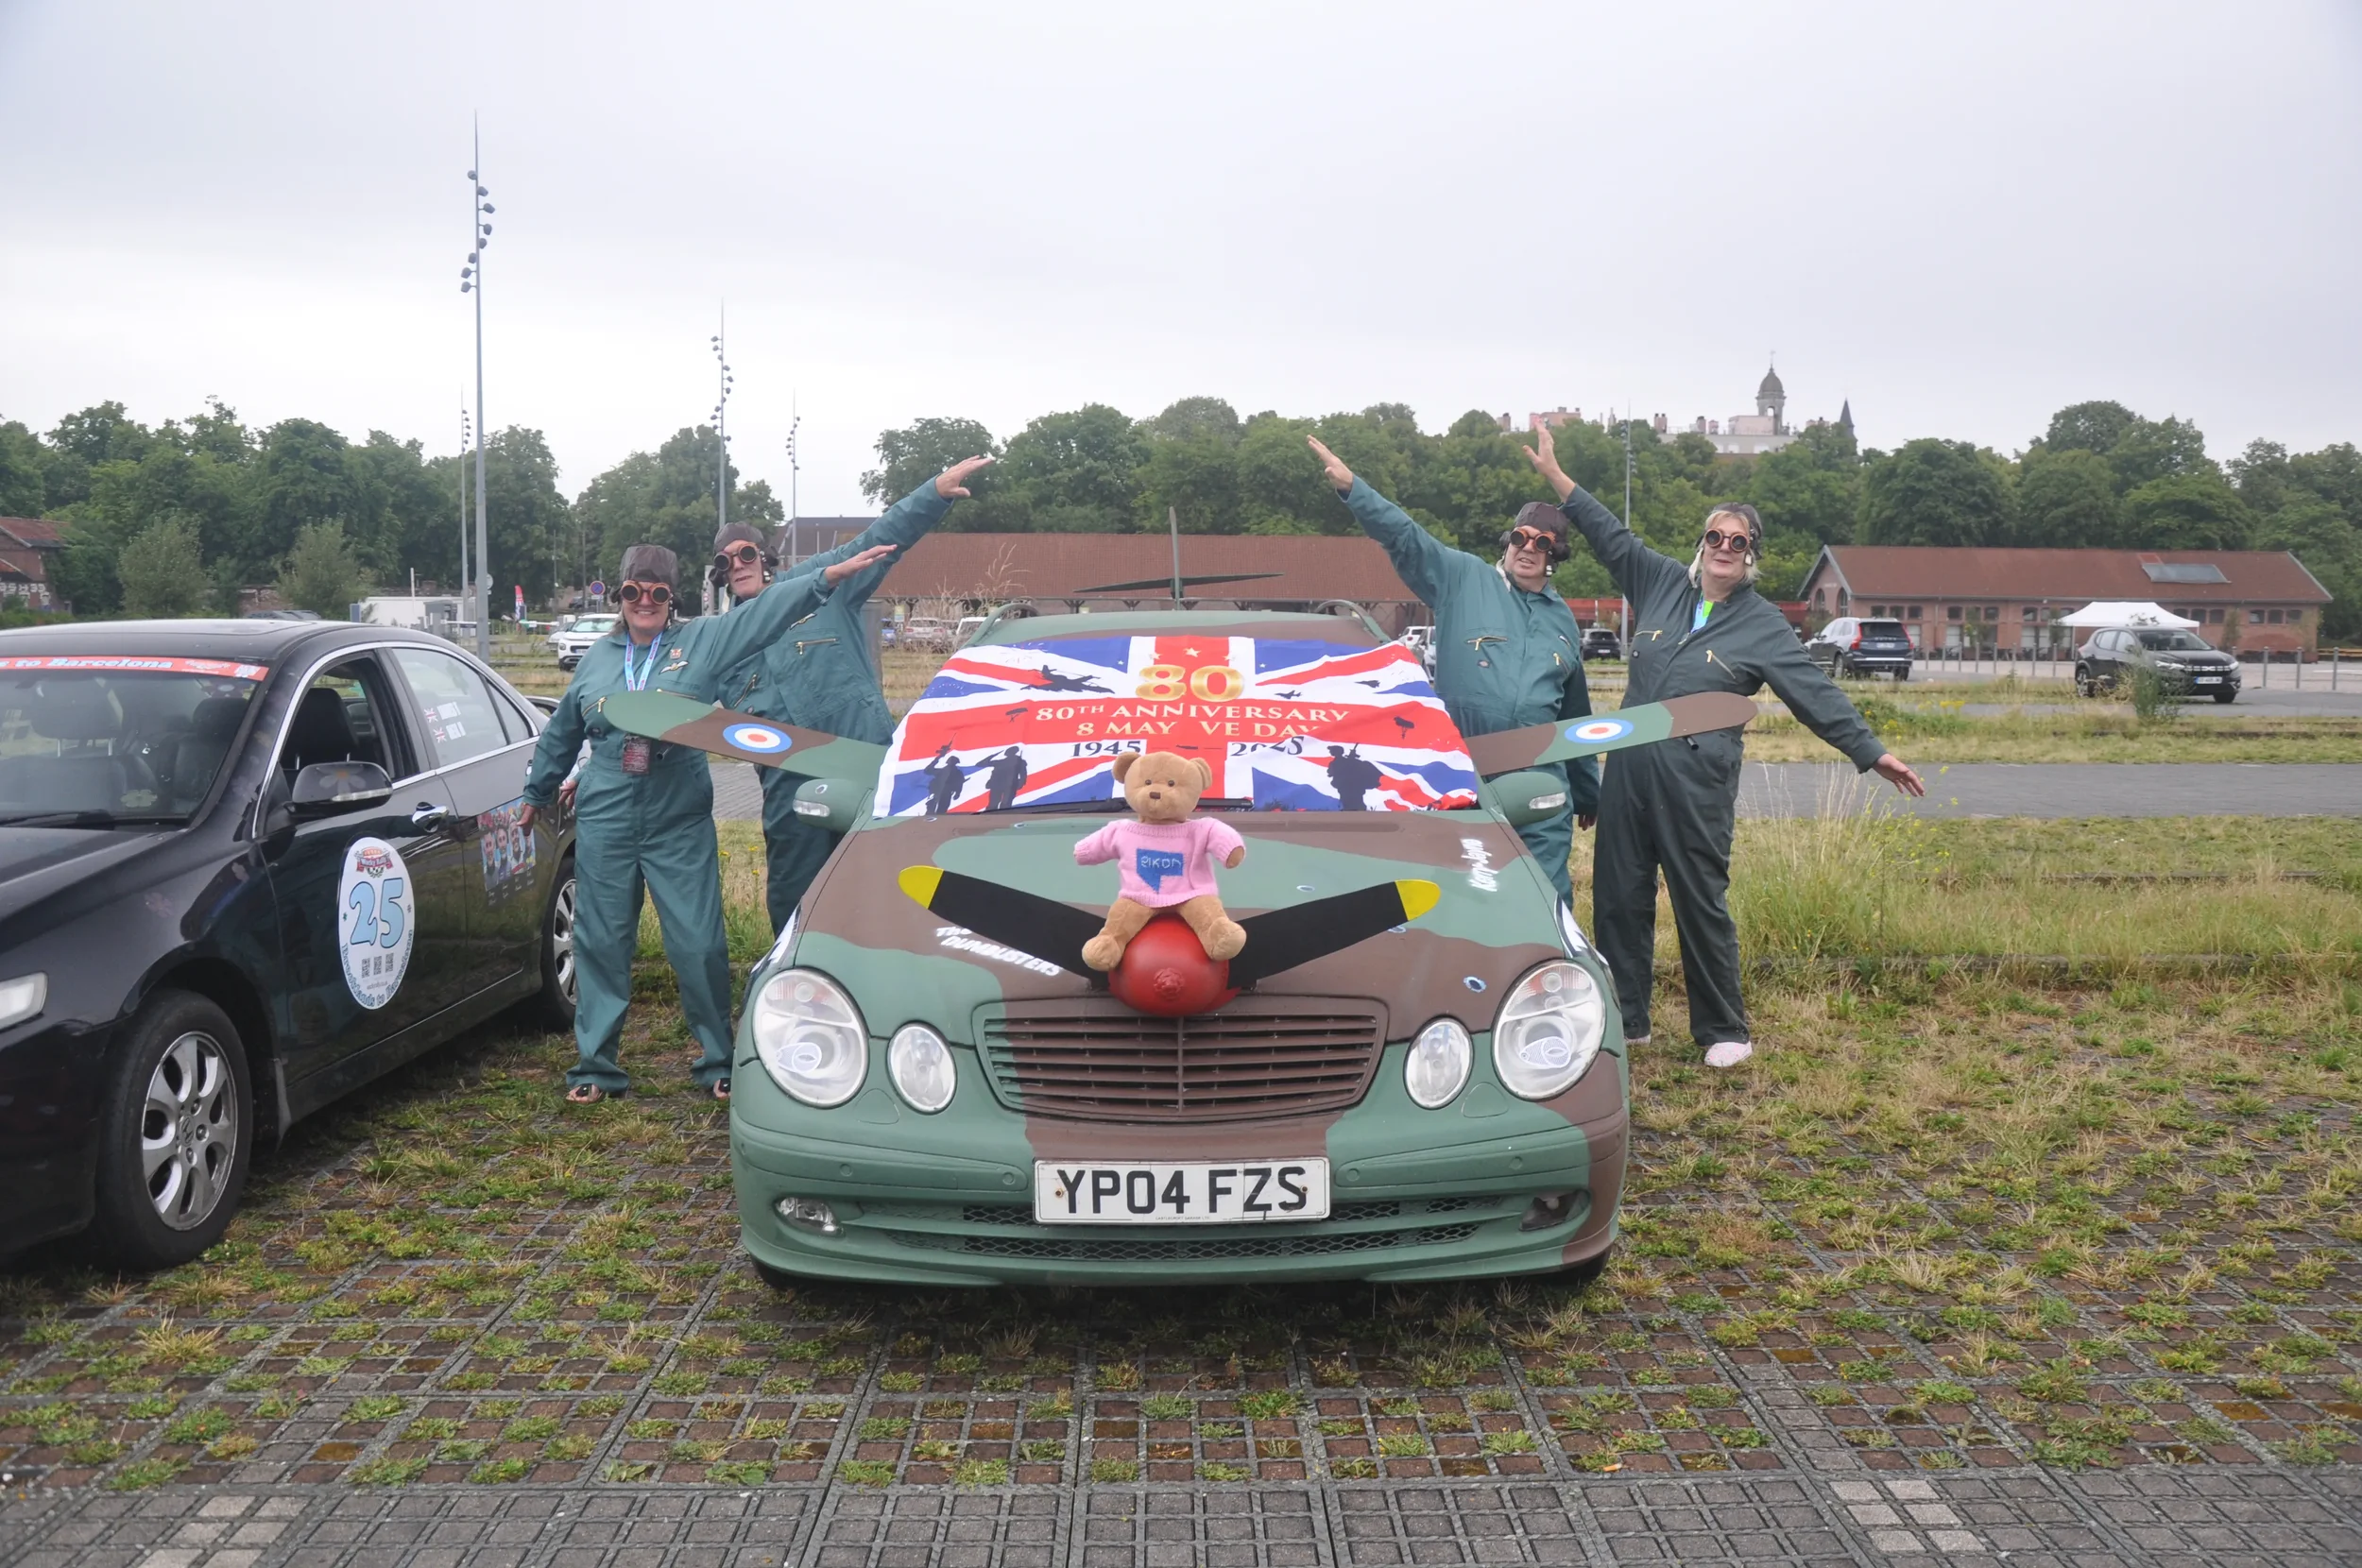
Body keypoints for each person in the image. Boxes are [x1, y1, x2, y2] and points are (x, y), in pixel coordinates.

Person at [1521, 436, 1926, 1069]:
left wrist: (1870, 751)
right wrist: (1557, 476)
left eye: (1739, 542)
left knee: (1698, 900)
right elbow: (1609, 534)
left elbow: (1813, 692)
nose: (1725, 550)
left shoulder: (1761, 623)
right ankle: (1628, 1019)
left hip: (1696, 785)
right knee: (1619, 897)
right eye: (1717, 538)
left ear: (1752, 555)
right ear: (1702, 544)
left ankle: (1722, 1028)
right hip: (1630, 772)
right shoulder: (1659, 583)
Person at [521, 537, 898, 1103]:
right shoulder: (597, 659)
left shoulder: (702, 642)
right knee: (600, 940)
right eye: (632, 591)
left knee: (698, 944)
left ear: (672, 598)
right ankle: (596, 1066)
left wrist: (824, 580)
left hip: (678, 814)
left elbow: (768, 613)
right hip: (607, 812)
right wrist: (537, 788)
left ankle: (719, 1060)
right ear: (619, 595)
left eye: (656, 592)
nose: (643, 601)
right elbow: (561, 732)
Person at [1308, 436, 1599, 900]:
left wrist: (1587, 791)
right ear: (1508, 542)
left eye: (1542, 544)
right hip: (1467, 771)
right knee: (1469, 890)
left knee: (1545, 897)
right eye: (1520, 538)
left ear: (1555, 556)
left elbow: (1574, 714)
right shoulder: (1462, 578)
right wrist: (1353, 488)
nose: (1528, 549)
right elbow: (1406, 536)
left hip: (1542, 781)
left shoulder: (1562, 619)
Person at [715, 457, 990, 933]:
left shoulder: (824, 585)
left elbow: (878, 541)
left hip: (866, 768)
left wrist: (934, 493)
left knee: (889, 878)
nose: (737, 566)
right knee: (794, 900)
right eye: (725, 561)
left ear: (765, 557)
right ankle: (797, 985)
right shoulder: (721, 642)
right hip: (788, 790)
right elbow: (667, 699)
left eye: (746, 554)